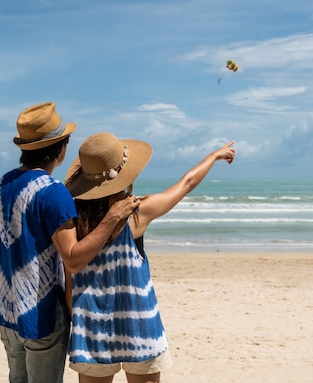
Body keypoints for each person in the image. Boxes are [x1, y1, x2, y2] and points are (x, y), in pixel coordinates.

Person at [0, 103, 140, 383]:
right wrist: (111, 219)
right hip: (41, 313)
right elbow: (73, 258)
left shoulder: (1, 185)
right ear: (62, 149)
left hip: (6, 309)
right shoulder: (53, 193)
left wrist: (9, 286)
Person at [64, 132, 235, 383]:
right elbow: (186, 184)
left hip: (91, 325)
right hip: (139, 323)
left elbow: (69, 277)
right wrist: (212, 156)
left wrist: (76, 317)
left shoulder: (70, 220)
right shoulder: (136, 215)